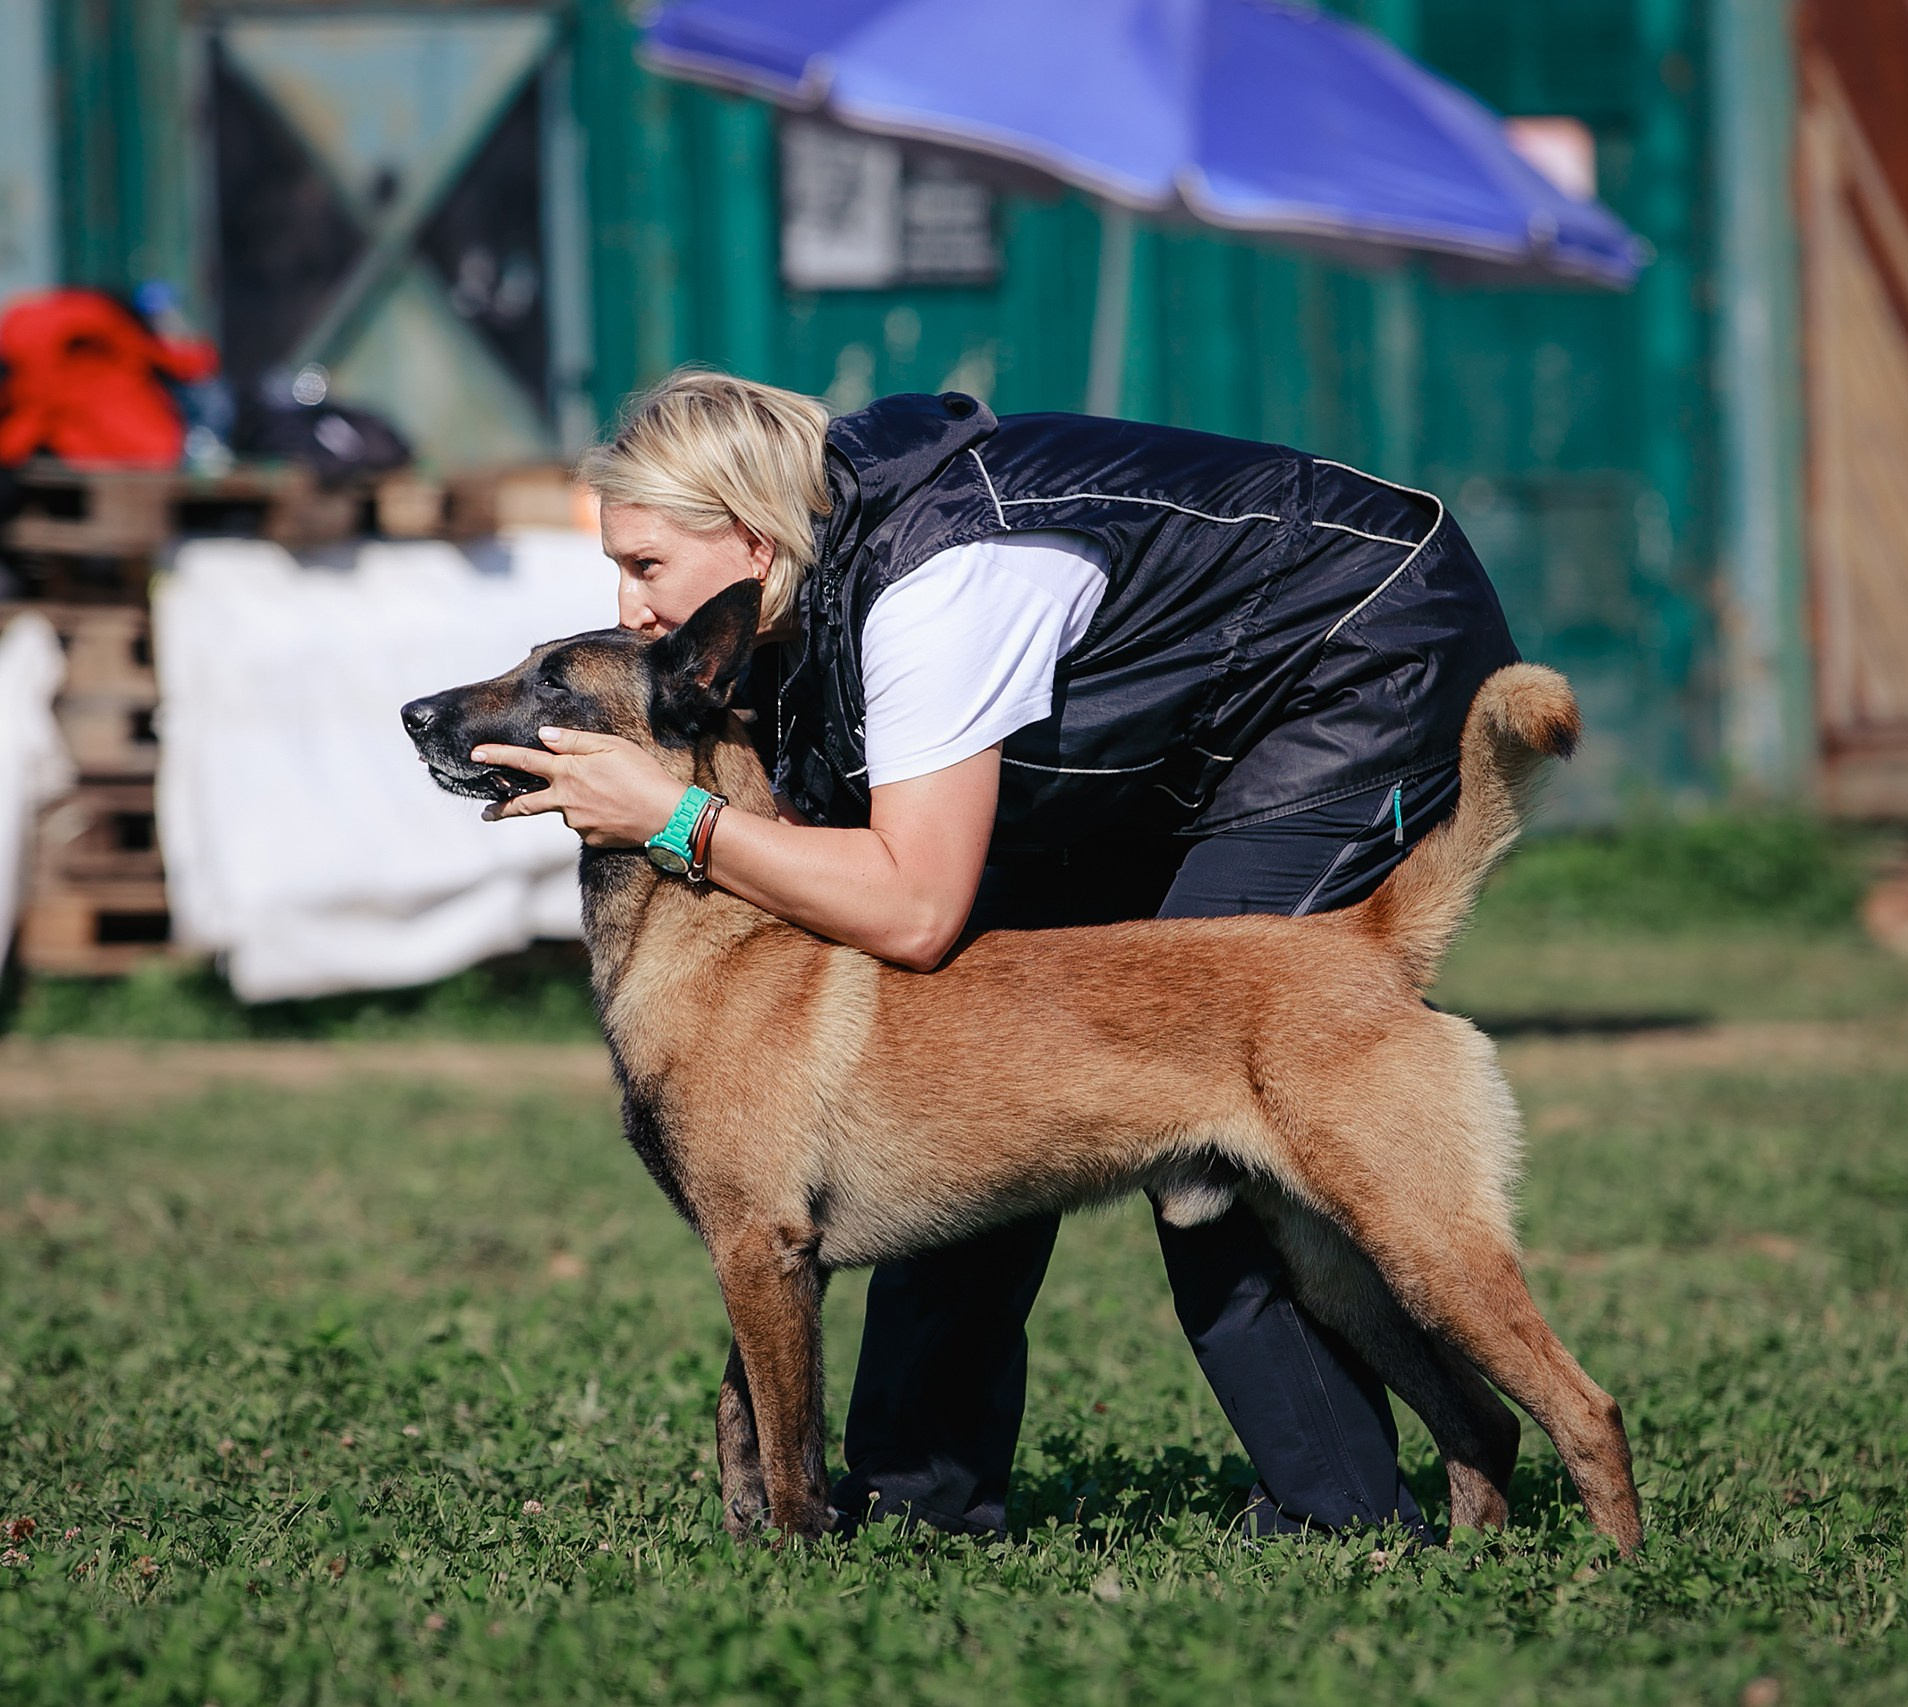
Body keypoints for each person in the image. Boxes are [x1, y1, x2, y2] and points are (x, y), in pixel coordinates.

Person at [470, 371, 1521, 1540]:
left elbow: (912, 909)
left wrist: (671, 819)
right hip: (1184, 725)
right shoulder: (815, 590)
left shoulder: (941, 584)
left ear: (756, 543)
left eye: (648, 568)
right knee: (950, 1073)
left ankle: (1351, 1519)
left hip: (1358, 663)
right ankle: (923, 1499)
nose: (631, 606)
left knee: (1219, 1115)